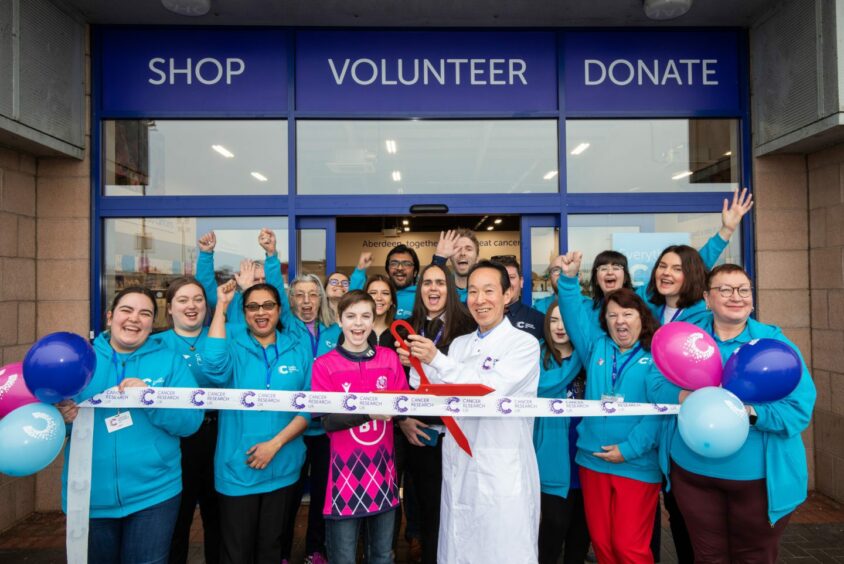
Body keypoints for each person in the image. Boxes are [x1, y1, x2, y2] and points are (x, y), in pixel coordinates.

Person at [650, 264, 816, 563]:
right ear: (707, 298)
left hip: (757, 482)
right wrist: (682, 396)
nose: (735, 296)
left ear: (752, 298)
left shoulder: (774, 346)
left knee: (754, 557)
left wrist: (750, 413)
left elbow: (799, 409)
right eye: (724, 290)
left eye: (743, 290)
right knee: (707, 556)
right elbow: (655, 382)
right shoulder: (688, 340)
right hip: (693, 477)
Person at [403, 260, 540, 564]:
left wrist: (436, 360)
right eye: (473, 291)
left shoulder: (523, 345)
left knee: (503, 547)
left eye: (489, 290)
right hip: (460, 463)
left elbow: (490, 389)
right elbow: (433, 386)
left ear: (508, 295)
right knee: (460, 545)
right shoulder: (461, 344)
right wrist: (419, 363)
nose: (479, 300)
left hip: (502, 466)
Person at [57, 287, 202, 564]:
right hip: (89, 497)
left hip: (155, 495)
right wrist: (61, 419)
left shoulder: (169, 361)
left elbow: (191, 423)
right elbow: (53, 425)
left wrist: (153, 399)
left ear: (152, 324)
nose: (135, 318)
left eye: (145, 313)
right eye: (127, 310)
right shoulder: (79, 360)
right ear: (110, 317)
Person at [556, 251, 666, 564]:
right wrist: (567, 279)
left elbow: (661, 410)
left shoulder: (657, 353)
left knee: (629, 547)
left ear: (642, 317)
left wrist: (629, 449)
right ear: (604, 320)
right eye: (612, 315)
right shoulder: (596, 346)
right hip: (592, 460)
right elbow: (573, 312)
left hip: (636, 464)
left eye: (627, 314)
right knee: (603, 546)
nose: (620, 321)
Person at [202, 280, 313, 564]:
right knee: (236, 552)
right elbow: (213, 368)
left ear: (279, 310)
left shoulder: (298, 348)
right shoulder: (232, 344)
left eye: (268, 305)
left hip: (284, 467)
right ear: (244, 311)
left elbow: (310, 407)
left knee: (271, 550)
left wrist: (274, 445)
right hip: (238, 470)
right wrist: (221, 308)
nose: (260, 312)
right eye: (252, 307)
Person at [311, 291, 409, 564]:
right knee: (342, 558)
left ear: (373, 318)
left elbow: (403, 408)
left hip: (383, 474)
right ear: (340, 321)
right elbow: (327, 421)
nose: (358, 323)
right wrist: (368, 412)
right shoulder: (324, 365)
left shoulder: (389, 359)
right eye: (351, 316)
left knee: (382, 555)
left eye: (365, 316)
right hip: (343, 478)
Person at [397, 263, 476, 564]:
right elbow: (395, 382)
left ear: (451, 288)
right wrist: (402, 418)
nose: (433, 289)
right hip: (420, 438)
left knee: (457, 510)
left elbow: (471, 378)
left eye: (440, 283)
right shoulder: (405, 326)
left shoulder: (467, 327)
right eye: (427, 283)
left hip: (458, 436)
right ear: (419, 290)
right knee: (429, 512)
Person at [157, 277, 221, 564]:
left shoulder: (220, 336)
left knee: (218, 515)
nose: (191, 306)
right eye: (183, 300)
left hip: (219, 434)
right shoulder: (155, 343)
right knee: (177, 518)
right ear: (169, 308)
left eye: (198, 299)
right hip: (175, 438)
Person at [533, 301, 590, 564]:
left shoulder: (589, 357)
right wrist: (573, 362)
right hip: (551, 463)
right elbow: (542, 387)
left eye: (566, 320)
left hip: (587, 462)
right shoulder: (536, 355)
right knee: (550, 537)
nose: (559, 327)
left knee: (580, 539)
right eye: (554, 320)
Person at [196, 230, 268, 327]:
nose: (261, 283)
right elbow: (206, 290)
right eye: (255, 279)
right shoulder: (232, 299)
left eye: (264, 279)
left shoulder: (276, 302)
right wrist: (206, 254)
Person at [350, 245, 421, 319]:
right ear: (388, 271)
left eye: (407, 264)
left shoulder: (422, 297)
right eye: (394, 264)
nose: (400, 268)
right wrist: (360, 270)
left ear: (415, 272)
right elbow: (352, 299)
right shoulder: (374, 296)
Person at [494, 255, 545, 340]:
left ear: (521, 282)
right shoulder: (479, 317)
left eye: (511, 277)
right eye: (501, 278)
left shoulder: (538, 320)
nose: (506, 283)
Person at [431, 228, 480, 301]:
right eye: (457, 249)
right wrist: (439, 258)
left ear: (477, 257)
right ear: (450, 257)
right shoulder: (442, 289)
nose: (462, 253)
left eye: (468, 249)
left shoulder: (487, 289)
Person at [364, 274, 398, 347]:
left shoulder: (402, 331)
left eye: (385, 293)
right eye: (373, 293)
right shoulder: (354, 330)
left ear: (392, 300)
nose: (379, 298)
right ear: (364, 299)